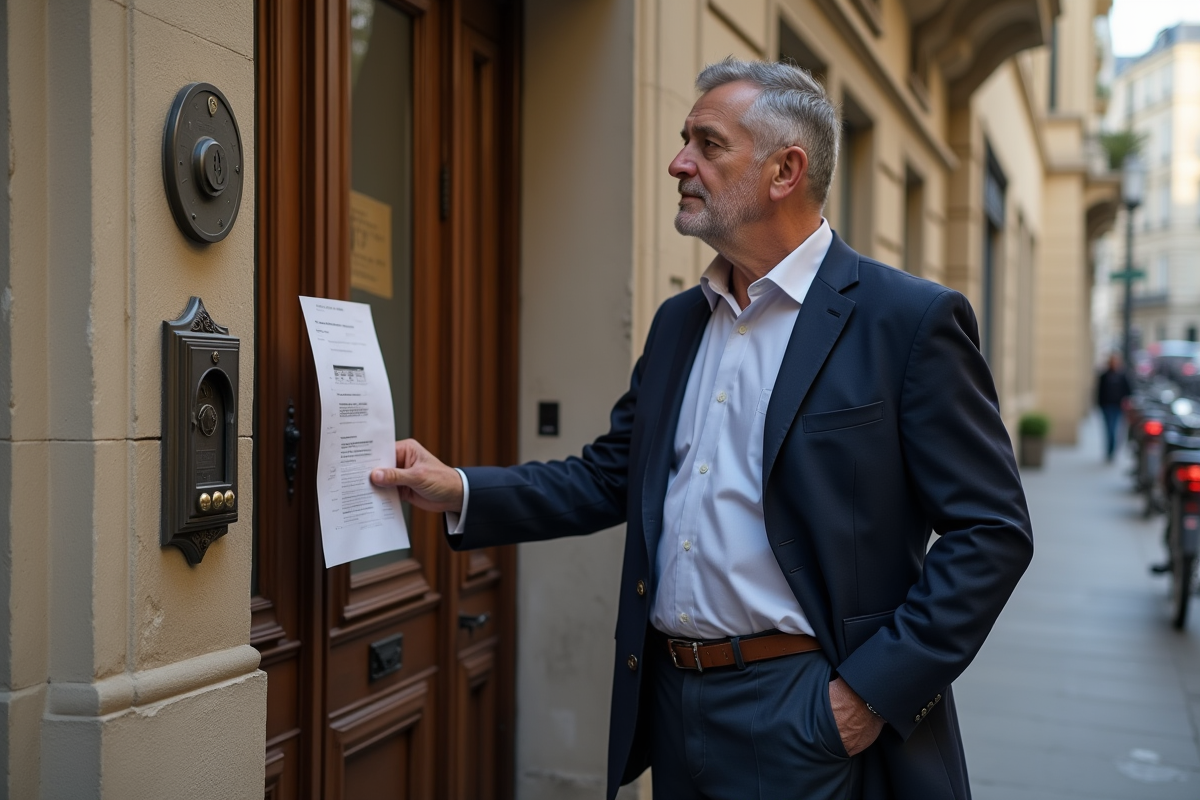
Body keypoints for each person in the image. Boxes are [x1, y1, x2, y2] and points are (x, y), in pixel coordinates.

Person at [371, 58, 1033, 800]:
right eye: (685, 138)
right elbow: (610, 474)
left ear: (785, 170)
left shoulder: (907, 321)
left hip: (808, 711)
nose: (677, 161)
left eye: (707, 143)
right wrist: (458, 487)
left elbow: (992, 530)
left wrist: (865, 697)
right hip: (673, 700)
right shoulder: (682, 321)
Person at [1096, 353, 1132, 462]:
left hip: (1117, 406)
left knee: (1114, 428)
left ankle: (1111, 450)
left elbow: (1128, 391)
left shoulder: (1122, 375)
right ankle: (1109, 450)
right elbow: (1099, 392)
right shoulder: (1104, 375)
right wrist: (1099, 404)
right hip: (1106, 406)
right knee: (1108, 429)